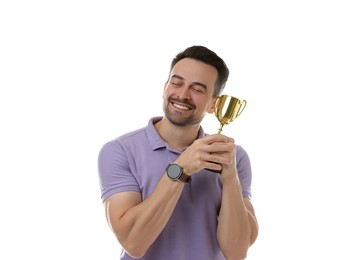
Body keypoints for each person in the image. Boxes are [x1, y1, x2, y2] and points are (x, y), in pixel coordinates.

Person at [98, 45, 258, 260]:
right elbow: (133, 243)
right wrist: (181, 168)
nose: (183, 95)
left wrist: (230, 178)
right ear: (165, 87)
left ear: (214, 104)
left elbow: (237, 253)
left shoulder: (235, 157)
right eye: (177, 83)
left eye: (198, 89)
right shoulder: (119, 151)